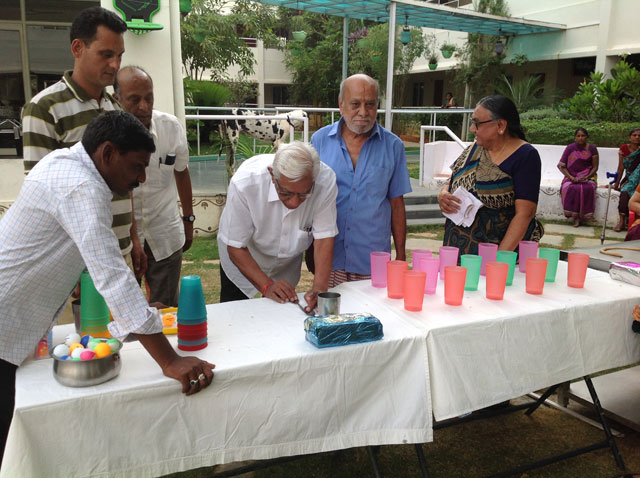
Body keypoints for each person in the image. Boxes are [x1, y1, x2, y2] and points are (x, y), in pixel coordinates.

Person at [0, 111, 214, 467]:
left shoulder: (67, 162)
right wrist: (170, 360)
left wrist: (136, 316)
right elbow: (111, 275)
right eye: (137, 167)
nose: (142, 178)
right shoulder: (81, 187)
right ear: (108, 153)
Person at [21, 7, 145, 277]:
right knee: (83, 322)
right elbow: (41, 196)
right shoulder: (45, 108)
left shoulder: (117, 110)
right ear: (78, 48)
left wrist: (133, 238)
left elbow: (127, 183)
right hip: (75, 262)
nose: (115, 65)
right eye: (106, 54)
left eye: (120, 55)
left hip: (118, 254)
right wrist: (68, 269)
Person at [311, 73, 411, 287]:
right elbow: (309, 198)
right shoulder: (319, 141)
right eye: (355, 104)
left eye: (371, 105)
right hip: (330, 258)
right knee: (332, 317)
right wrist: (309, 250)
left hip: (372, 261)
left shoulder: (393, 146)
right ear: (341, 105)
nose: (363, 112)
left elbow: (397, 204)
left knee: (372, 318)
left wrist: (401, 256)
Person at [217, 141, 337, 312]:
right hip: (244, 256)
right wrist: (266, 286)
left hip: (287, 262)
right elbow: (236, 247)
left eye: (304, 194)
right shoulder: (245, 182)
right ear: (272, 175)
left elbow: (324, 239)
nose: (294, 202)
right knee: (236, 315)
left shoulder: (325, 182)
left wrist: (319, 288)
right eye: (286, 193)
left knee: (283, 316)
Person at [113, 66, 194, 306]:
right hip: (121, 242)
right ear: (117, 99)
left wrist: (188, 220)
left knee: (167, 312)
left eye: (149, 98)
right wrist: (133, 239)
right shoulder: (105, 136)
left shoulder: (170, 127)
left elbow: (181, 171)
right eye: (134, 99)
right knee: (123, 315)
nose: (144, 107)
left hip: (164, 234)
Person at [438, 95, 543, 254]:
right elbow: (452, 180)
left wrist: (499, 261)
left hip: (499, 256)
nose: (472, 129)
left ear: (500, 125)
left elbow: (525, 214)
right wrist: (443, 194)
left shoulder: (525, 156)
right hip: (457, 250)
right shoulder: (474, 149)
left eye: (477, 123)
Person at [557, 128, 599, 227]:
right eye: (578, 136)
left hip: (589, 176)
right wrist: (571, 177)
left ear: (587, 137)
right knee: (570, 188)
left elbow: (595, 167)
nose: (581, 138)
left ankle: (582, 218)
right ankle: (574, 217)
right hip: (571, 176)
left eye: (583, 135)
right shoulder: (570, 148)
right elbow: (561, 166)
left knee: (586, 188)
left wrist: (587, 176)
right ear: (575, 138)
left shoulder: (592, 148)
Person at [613, 128, 640, 232]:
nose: (637, 137)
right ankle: (622, 221)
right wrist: (616, 184)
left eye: (639, 135)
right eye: (634, 135)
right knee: (624, 192)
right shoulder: (624, 148)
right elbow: (621, 168)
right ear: (629, 137)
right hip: (629, 179)